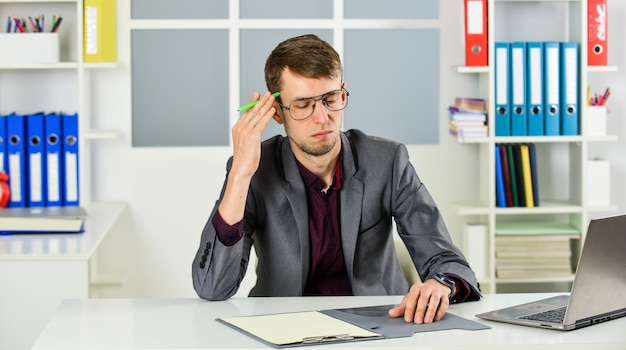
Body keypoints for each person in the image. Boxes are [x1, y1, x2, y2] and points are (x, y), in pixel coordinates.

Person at [192, 34, 481, 324]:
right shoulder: (255, 170)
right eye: (303, 105)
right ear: (277, 113)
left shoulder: (387, 161)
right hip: (282, 323)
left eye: (330, 99)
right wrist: (240, 173)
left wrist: (440, 284)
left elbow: (448, 261)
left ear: (342, 94)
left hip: (381, 323)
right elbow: (212, 287)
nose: (322, 117)